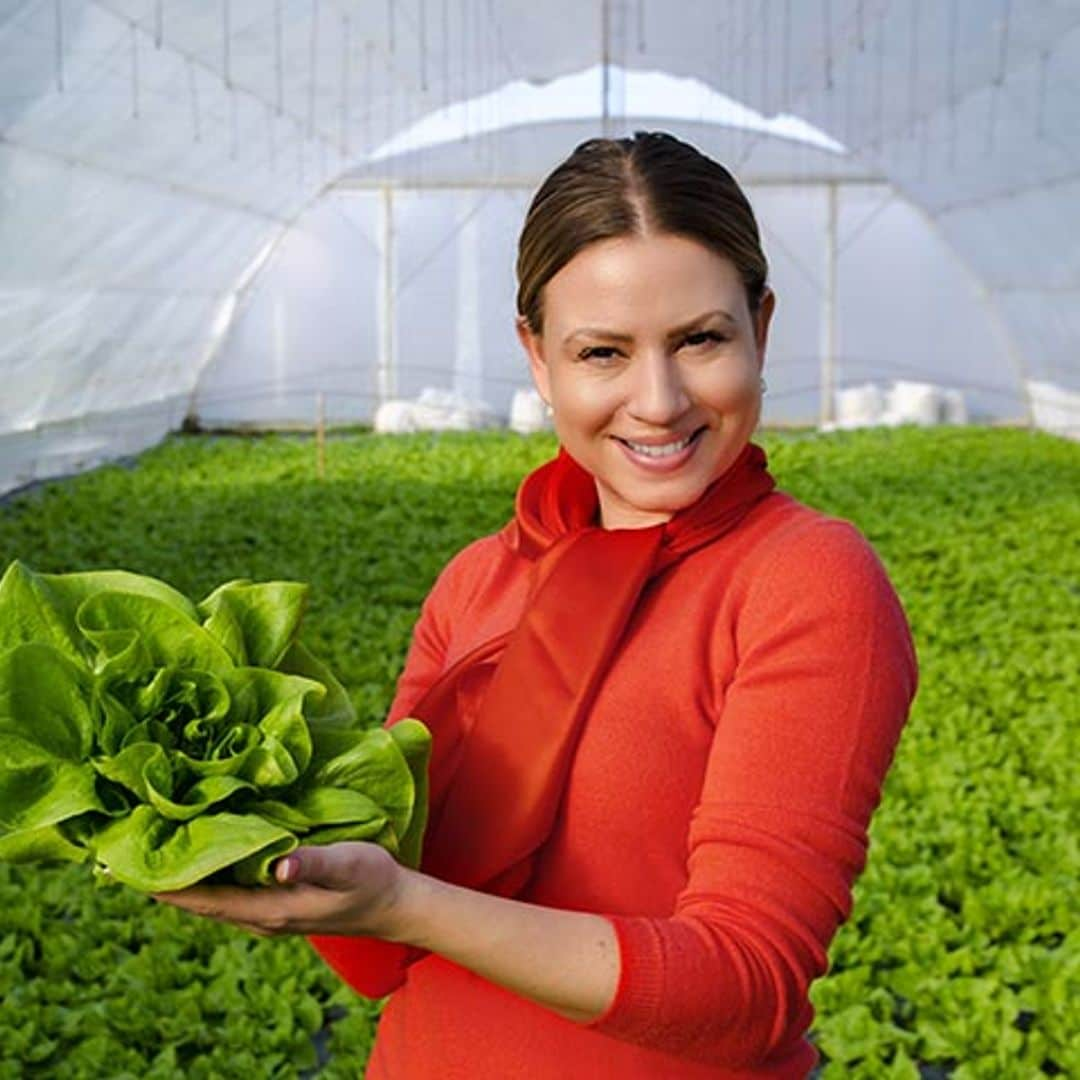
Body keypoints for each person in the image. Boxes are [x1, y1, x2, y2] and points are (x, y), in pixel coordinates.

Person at [154, 130, 919, 1078]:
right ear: (537, 356)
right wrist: (257, 834)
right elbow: (379, 954)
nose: (659, 399)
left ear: (762, 326)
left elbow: (747, 987)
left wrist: (403, 903)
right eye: (603, 351)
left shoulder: (804, 579)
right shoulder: (481, 578)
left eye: (702, 340)